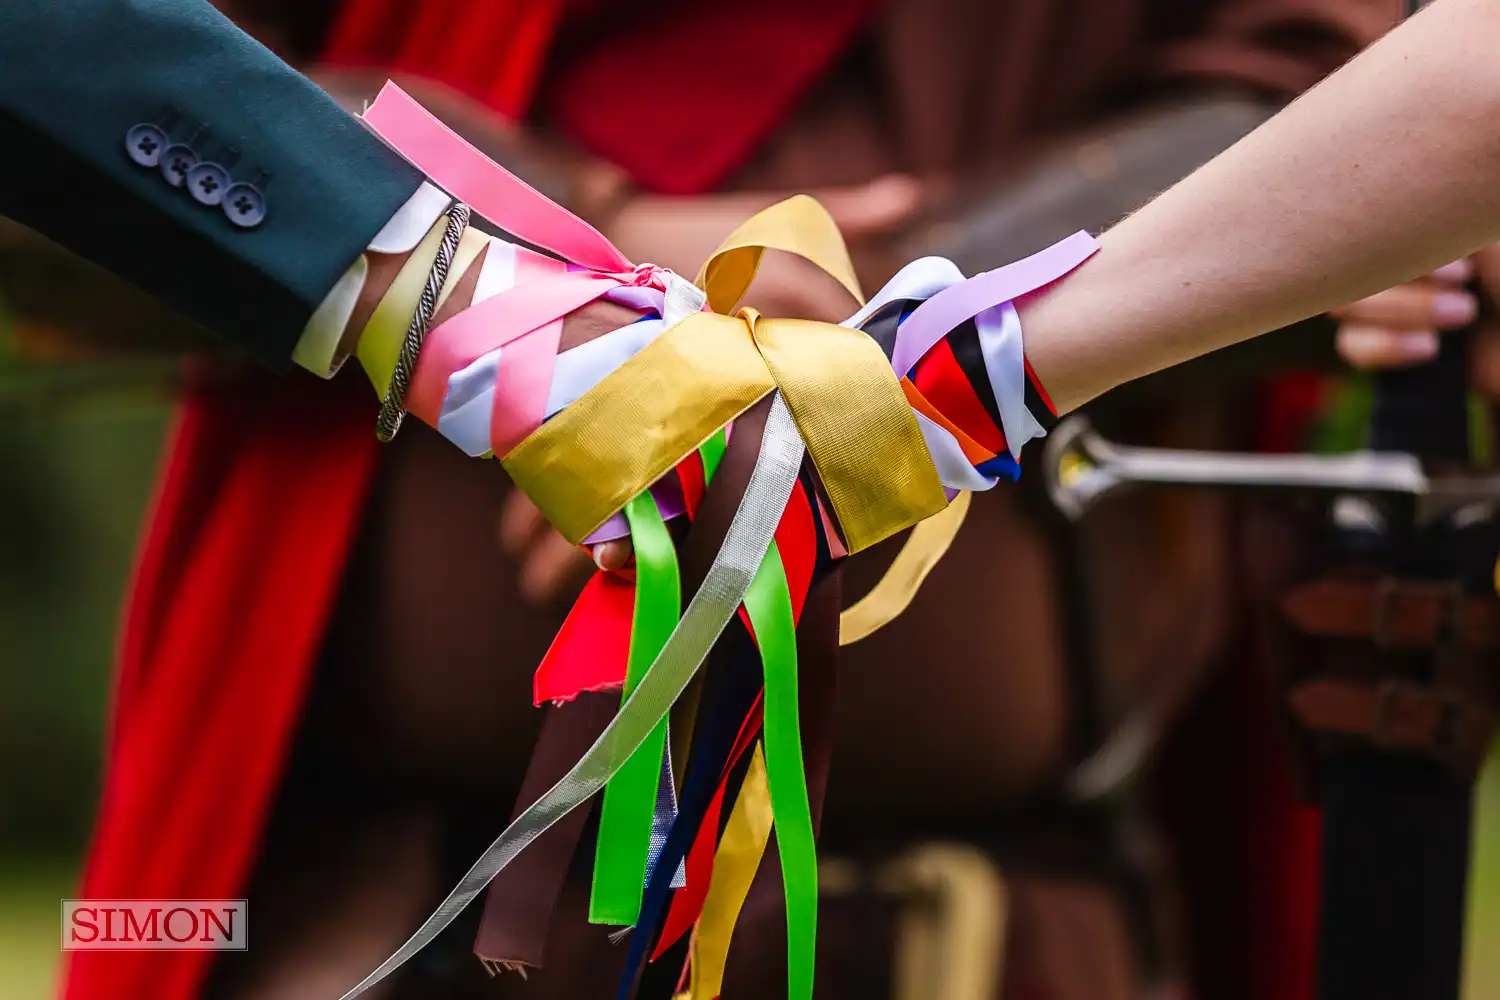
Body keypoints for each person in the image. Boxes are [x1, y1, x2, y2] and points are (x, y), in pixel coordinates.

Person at [2, 2, 1410, 1000]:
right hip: (377, 915)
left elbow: (1358, 93)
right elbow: (90, 91)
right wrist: (560, 247)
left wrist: (864, 338)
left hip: (1016, 937)